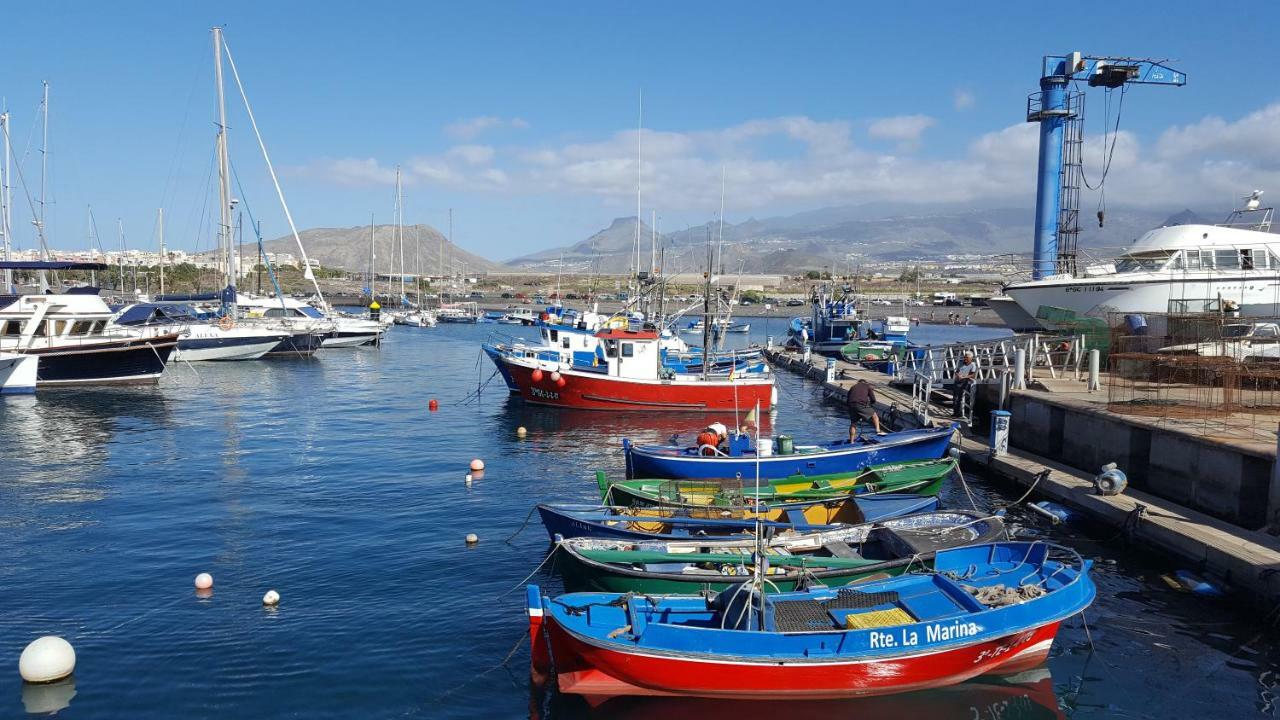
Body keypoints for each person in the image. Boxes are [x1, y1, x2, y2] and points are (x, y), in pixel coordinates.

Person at [953, 351, 978, 417]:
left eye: (967, 357)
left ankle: (962, 413)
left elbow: (973, 375)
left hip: (965, 382)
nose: (965, 358)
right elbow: (956, 372)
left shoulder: (973, 364)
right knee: (956, 398)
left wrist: (964, 377)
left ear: (971, 358)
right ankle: (956, 413)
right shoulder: (961, 363)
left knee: (962, 398)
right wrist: (958, 376)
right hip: (958, 381)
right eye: (964, 357)